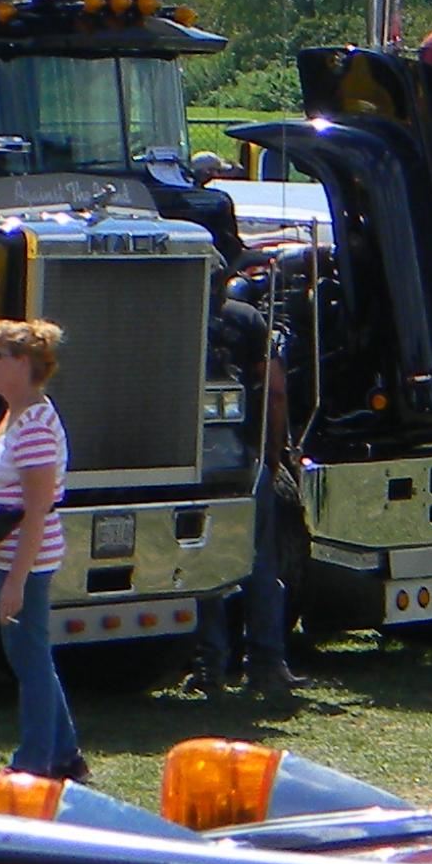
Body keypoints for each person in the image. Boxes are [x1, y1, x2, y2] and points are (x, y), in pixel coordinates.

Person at [0, 315, 81, 784]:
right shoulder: (16, 413)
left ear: (23, 364)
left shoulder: (35, 425)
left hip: (27, 558)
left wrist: (16, 582)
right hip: (12, 555)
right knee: (32, 654)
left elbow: (37, 509)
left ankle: (34, 761)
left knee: (29, 658)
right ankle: (63, 754)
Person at [195, 295, 296, 703]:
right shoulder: (248, 318)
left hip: (189, 463)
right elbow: (274, 389)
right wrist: (274, 452)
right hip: (241, 457)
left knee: (202, 568)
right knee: (258, 565)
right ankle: (268, 663)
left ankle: (208, 668)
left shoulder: (172, 310)